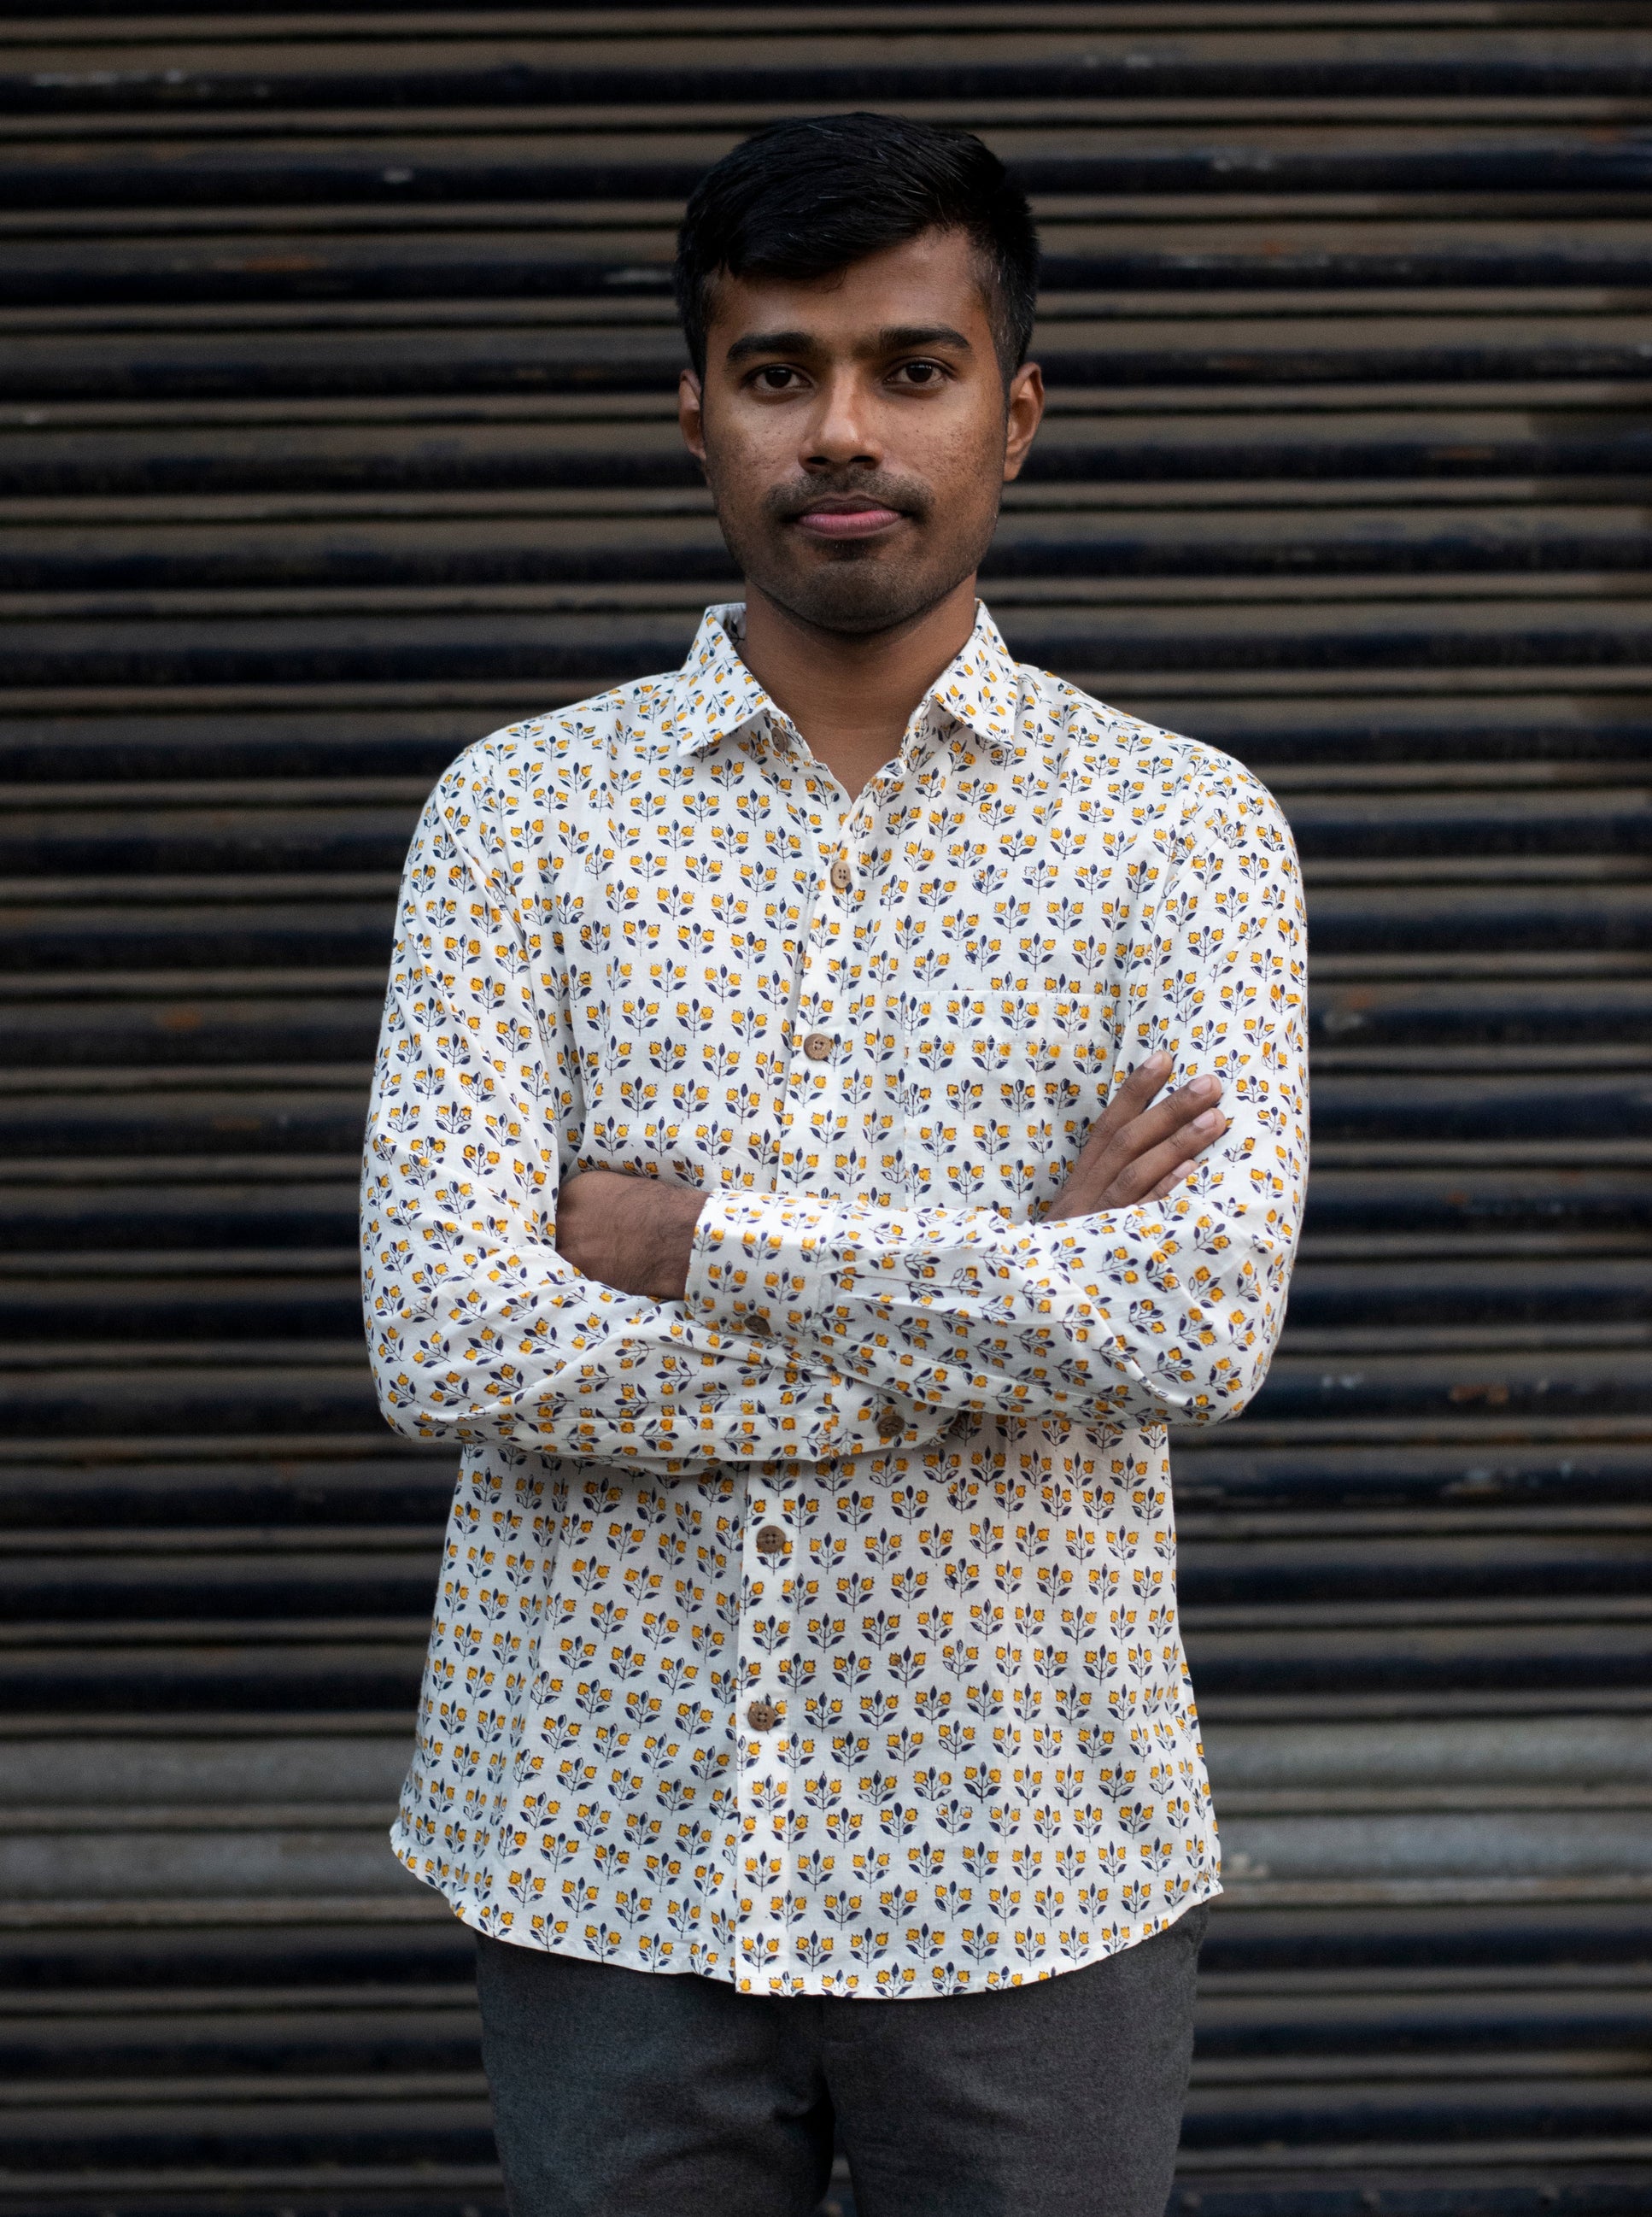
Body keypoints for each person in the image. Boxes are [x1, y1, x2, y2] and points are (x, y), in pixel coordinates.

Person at [361, 110, 1308, 2217]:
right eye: (779, 372)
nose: (843, 431)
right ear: (696, 413)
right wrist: (1011, 1286)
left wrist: (693, 1238)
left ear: (1014, 410)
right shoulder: (520, 815)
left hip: (1032, 1855)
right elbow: (448, 1336)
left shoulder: (1184, 831)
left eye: (912, 366)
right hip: (595, 1841)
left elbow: (1190, 1325)